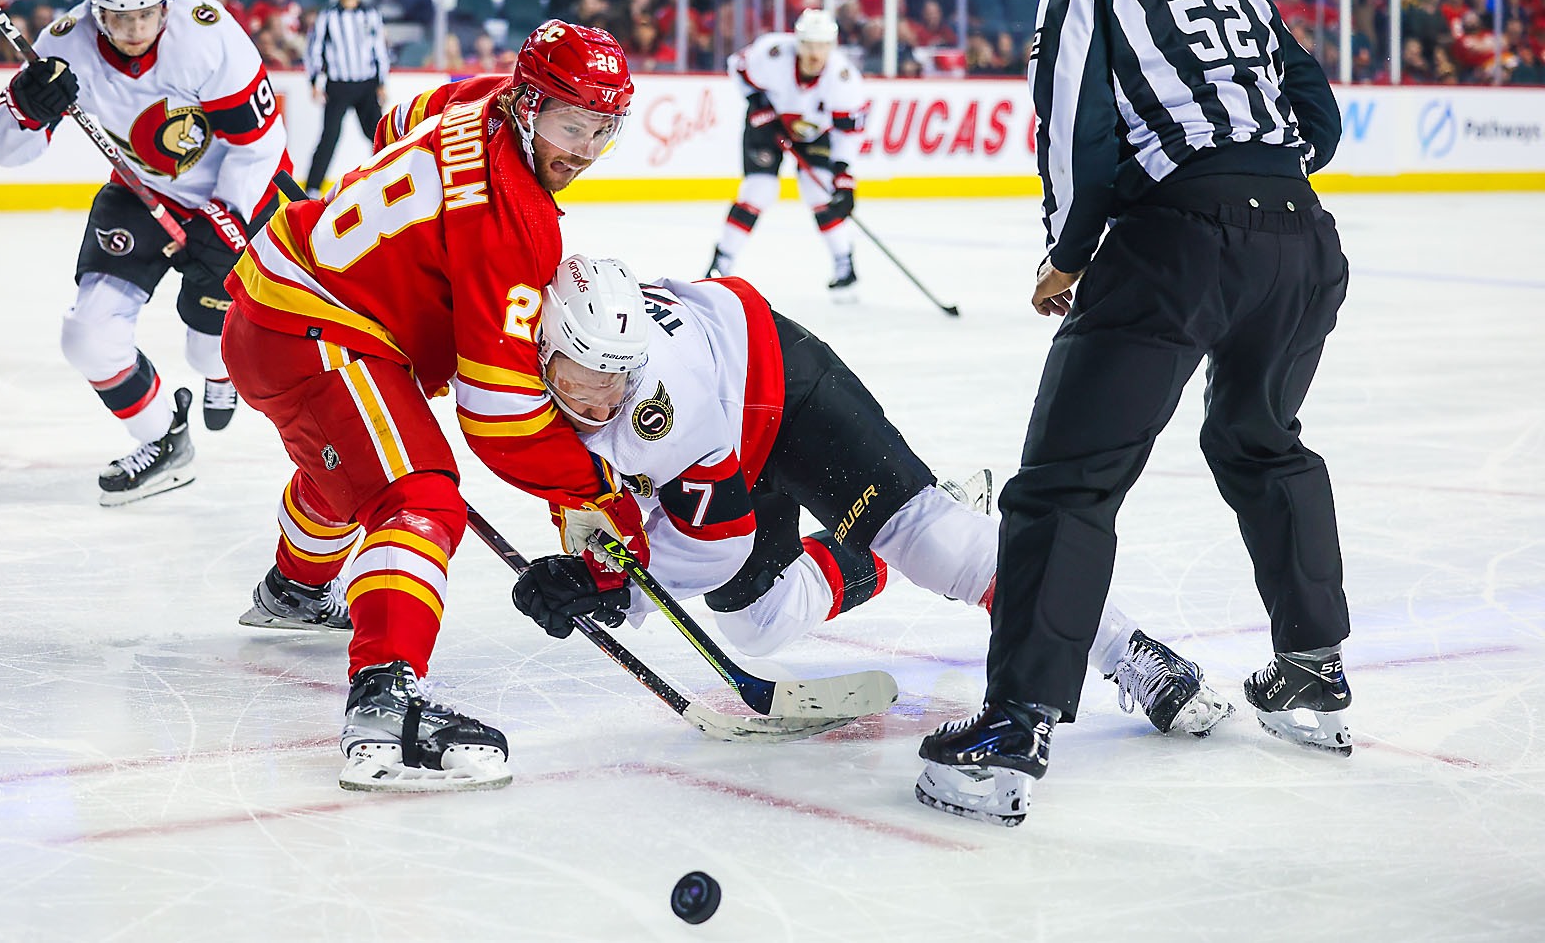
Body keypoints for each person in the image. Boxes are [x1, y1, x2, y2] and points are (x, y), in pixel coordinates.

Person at [916, 0, 1351, 828]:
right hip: (1303, 241)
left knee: (1065, 483)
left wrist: (1066, 253)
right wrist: (1252, 172)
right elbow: (1319, 124)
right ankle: (1313, 668)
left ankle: (1015, 725)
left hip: (1179, 245)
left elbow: (1076, 132)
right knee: (1260, 442)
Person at [510, 256, 1233, 740]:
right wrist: (598, 568)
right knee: (760, 624)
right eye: (581, 383)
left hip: (787, 396)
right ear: (544, 351)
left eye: (618, 381)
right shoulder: (541, 362)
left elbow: (715, 540)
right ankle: (885, 541)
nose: (600, 403)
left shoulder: (655, 404)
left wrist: (611, 587)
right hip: (722, 440)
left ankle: (1129, 650)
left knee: (934, 543)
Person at [222, 20, 651, 792]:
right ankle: (384, 706)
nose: (585, 149)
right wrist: (594, 495)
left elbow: (396, 127)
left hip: (288, 290)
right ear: (529, 104)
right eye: (571, 125)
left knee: (351, 467)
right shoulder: (516, 226)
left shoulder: (480, 99)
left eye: (603, 130)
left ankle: (294, 588)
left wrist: (418, 272)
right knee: (419, 496)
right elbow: (500, 417)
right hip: (315, 328)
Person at [0, 0, 290, 505]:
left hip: (237, 190)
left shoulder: (207, 32)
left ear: (166, 1)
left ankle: (219, 373)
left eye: (147, 13)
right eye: (120, 17)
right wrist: (25, 105)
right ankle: (164, 439)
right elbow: (4, 150)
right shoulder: (65, 45)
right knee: (88, 336)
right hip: (144, 191)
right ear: (97, 11)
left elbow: (260, 144)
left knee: (207, 348)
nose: (136, 28)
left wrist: (228, 212)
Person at [706, 8, 868, 298]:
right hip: (767, 125)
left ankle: (845, 264)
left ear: (832, 46)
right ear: (798, 41)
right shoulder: (773, 53)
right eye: (809, 45)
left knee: (820, 193)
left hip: (814, 134)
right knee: (759, 190)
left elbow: (847, 132)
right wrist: (757, 102)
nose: (815, 54)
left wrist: (843, 175)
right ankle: (721, 262)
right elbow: (737, 66)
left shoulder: (843, 78)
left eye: (822, 46)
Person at [302, 0, 390, 195]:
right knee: (329, 136)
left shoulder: (371, 14)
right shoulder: (327, 16)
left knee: (378, 135)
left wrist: (382, 82)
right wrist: (315, 81)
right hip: (338, 84)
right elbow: (315, 49)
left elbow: (379, 49)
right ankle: (312, 188)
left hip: (366, 84)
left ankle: (387, 177)